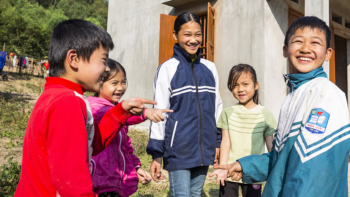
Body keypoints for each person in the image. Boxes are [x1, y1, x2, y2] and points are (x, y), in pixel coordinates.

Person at [15, 19, 156, 197]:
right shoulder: (68, 102)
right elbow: (71, 177)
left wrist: (120, 111)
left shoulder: (55, 95)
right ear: (74, 59)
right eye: (103, 60)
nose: (106, 69)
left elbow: (89, 143)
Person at [214, 16, 350, 197]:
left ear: (327, 54)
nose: (305, 48)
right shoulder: (293, 96)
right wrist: (245, 166)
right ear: (285, 50)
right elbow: (282, 158)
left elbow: (315, 170)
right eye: (298, 41)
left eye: (315, 43)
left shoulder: (326, 94)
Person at [146, 12, 223, 197]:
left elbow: (217, 107)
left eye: (198, 34)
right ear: (175, 36)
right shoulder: (167, 69)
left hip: (205, 148)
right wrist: (156, 153)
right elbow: (159, 112)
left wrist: (218, 142)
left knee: (195, 194)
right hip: (178, 148)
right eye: (187, 34)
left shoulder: (210, 68)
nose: (193, 40)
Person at [89, 59, 172, 197]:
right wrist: (145, 113)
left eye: (123, 82)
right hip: (101, 181)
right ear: (98, 83)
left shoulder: (115, 109)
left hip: (115, 179)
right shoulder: (95, 107)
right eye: (114, 83)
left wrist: (136, 167)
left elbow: (125, 146)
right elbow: (120, 116)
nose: (120, 87)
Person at [209, 64, 276, 197]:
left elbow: (271, 146)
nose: (240, 89)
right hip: (229, 170)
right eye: (235, 85)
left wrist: (275, 169)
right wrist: (222, 168)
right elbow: (225, 141)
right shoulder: (228, 113)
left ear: (256, 85)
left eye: (245, 84)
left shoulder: (265, 114)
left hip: (254, 171)